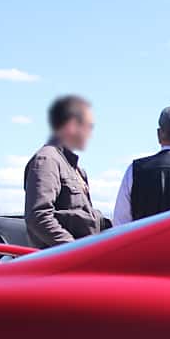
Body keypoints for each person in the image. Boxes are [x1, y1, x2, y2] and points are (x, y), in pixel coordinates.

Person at [24, 94, 98, 246]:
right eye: (88, 126)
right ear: (71, 125)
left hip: (75, 262)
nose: (90, 134)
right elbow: (38, 216)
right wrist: (73, 249)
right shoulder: (47, 161)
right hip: (60, 264)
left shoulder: (73, 167)